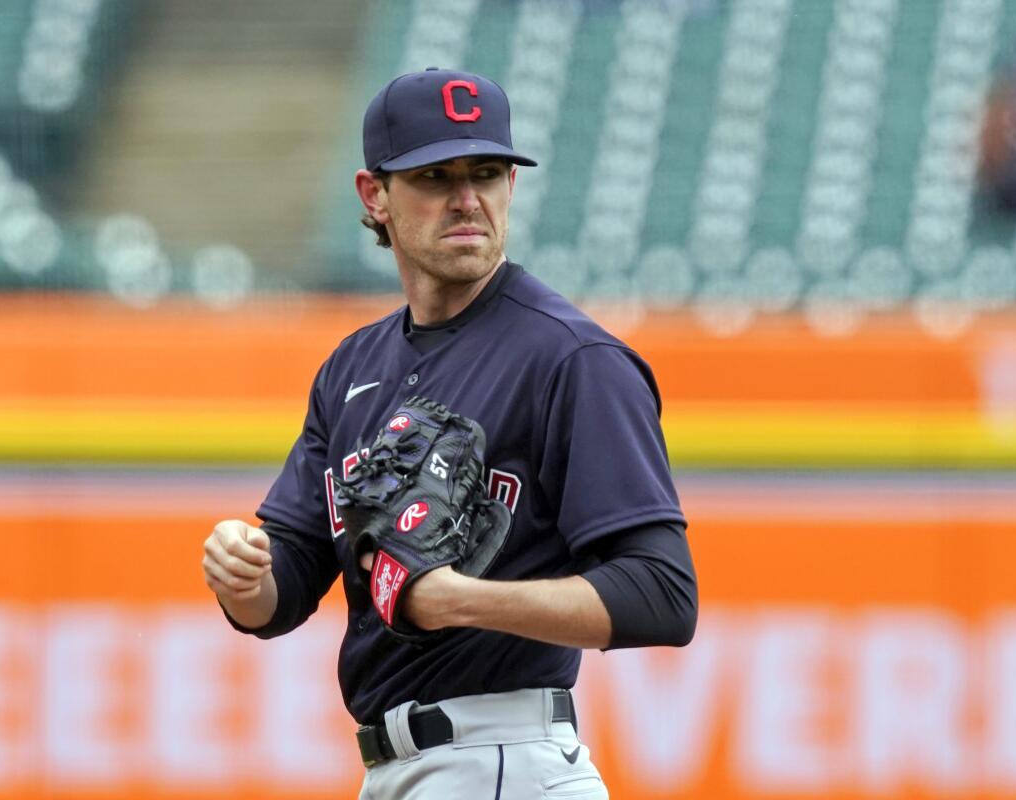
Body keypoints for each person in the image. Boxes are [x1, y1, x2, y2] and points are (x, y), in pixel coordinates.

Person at [202, 67, 698, 799]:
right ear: (375, 197)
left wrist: (458, 598)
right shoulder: (353, 368)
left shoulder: (572, 357)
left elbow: (663, 595)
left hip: (505, 756)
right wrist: (243, 574)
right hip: (399, 769)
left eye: (487, 172)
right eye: (436, 176)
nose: (468, 199)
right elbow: (287, 589)